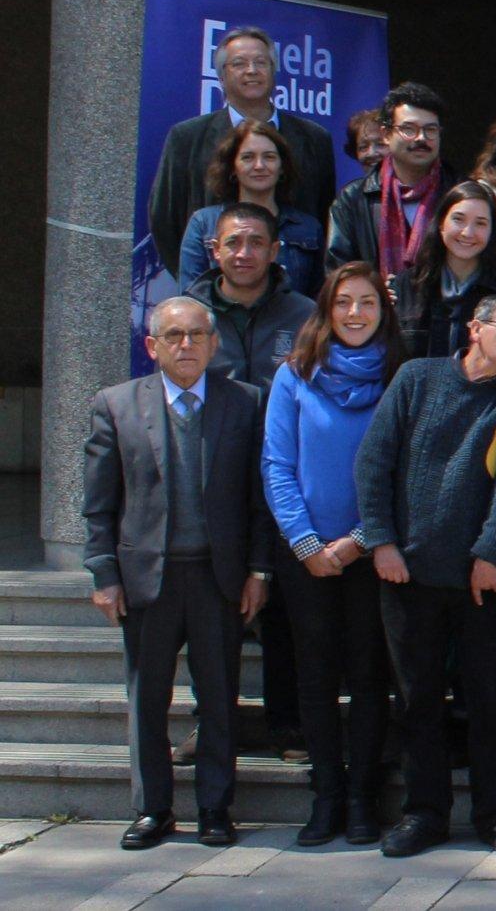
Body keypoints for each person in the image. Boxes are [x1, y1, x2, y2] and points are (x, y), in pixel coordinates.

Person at [353, 295, 496, 859]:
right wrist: (381, 542)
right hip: (406, 571)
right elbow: (373, 462)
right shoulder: (417, 378)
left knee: (488, 701)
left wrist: (489, 552)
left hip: (479, 580)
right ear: (476, 329)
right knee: (418, 701)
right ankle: (424, 813)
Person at [83, 296, 272, 851]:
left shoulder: (245, 403)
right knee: (147, 698)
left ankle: (216, 808)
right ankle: (153, 810)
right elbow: (99, 501)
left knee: (219, 698)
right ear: (152, 346)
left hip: (219, 578)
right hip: (147, 580)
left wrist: (260, 569)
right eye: (173, 336)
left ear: (214, 343)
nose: (186, 345)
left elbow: (258, 499)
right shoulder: (115, 405)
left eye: (196, 335)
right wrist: (103, 573)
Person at [261, 262, 403, 847]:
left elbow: (403, 471)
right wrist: (306, 543)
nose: (354, 314)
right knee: (315, 680)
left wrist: (359, 540)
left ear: (382, 310)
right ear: (326, 308)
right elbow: (277, 464)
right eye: (343, 302)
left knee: (370, 679)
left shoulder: (401, 375)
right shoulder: (295, 375)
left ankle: (365, 798)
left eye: (367, 302)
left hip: (373, 555)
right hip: (309, 557)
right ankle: (326, 797)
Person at [147, 26, 336, 258]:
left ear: (273, 70)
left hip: (295, 283)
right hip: (210, 283)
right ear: (221, 76)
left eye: (260, 62)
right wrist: (196, 279)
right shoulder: (186, 138)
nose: (251, 70)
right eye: (239, 64)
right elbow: (165, 220)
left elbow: (326, 217)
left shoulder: (314, 139)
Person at [175, 120, 325, 295]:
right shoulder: (203, 223)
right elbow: (190, 296)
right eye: (248, 157)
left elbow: (318, 302)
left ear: (282, 167)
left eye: (269, 157)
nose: (259, 165)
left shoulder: (308, 228)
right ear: (233, 168)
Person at [187, 203, 316, 389]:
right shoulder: (189, 316)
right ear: (216, 249)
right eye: (233, 243)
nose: (244, 254)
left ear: (273, 251)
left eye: (256, 243)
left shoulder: (306, 315)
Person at [328, 81, 449, 275]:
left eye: (430, 130)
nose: (421, 138)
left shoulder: (459, 193)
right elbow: (340, 273)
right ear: (386, 134)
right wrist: (378, 292)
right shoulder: (353, 200)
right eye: (409, 129)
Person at [394, 180, 496, 359]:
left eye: (481, 223)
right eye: (458, 219)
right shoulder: (406, 285)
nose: (468, 232)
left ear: (492, 231)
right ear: (441, 224)